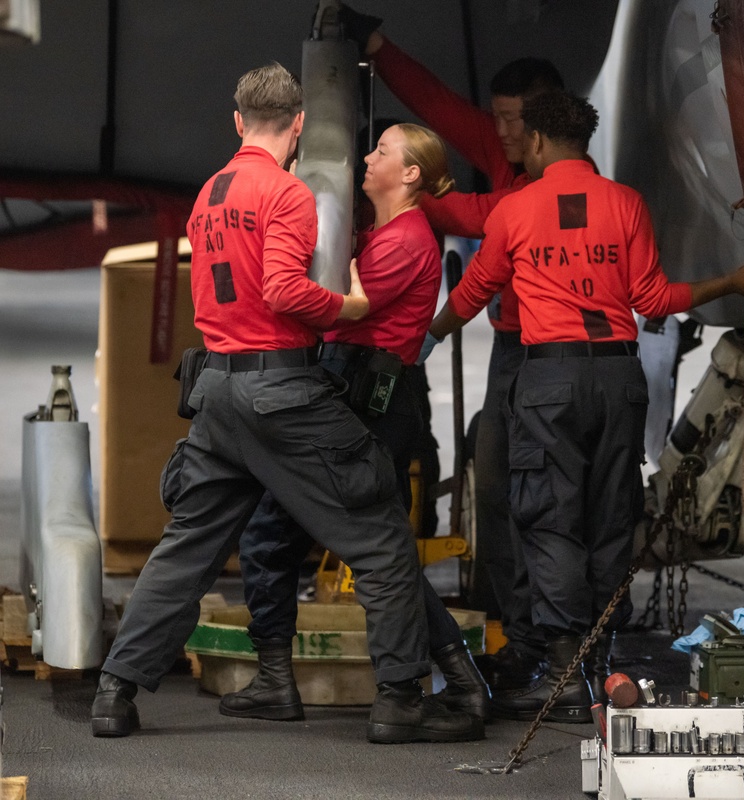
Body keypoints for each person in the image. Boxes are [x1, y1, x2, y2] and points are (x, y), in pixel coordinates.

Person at [89, 63, 482, 744]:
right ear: (298, 125)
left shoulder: (208, 195)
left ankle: (113, 694)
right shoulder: (290, 194)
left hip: (215, 393)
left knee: (186, 548)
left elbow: (219, 292)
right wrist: (347, 303)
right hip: (282, 390)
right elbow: (282, 290)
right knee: (383, 539)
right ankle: (398, 703)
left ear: (238, 122)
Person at [423, 91, 744, 722]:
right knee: (609, 516)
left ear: (542, 143)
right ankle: (600, 665)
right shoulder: (624, 203)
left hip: (549, 379)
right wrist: (733, 282)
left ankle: (561, 671)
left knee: (550, 517)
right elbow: (653, 299)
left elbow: (474, 289)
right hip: (620, 381)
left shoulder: (518, 208)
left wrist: (433, 333)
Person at [224, 122, 491, 723]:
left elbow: (333, 301)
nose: (367, 158)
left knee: (341, 543)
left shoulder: (405, 241)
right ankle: (454, 678)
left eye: (381, 151)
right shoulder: (387, 232)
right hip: (353, 390)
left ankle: (437, 683)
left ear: (411, 174)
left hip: (366, 401)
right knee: (370, 547)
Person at [338, 3, 565, 695]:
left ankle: (545, 638)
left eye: (511, 120)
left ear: (548, 119)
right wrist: (377, 46)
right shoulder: (504, 146)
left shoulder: (547, 188)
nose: (496, 132)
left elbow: (469, 215)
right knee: (495, 476)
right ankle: (509, 625)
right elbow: (435, 103)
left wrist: (399, 193)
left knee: (538, 493)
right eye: (495, 118)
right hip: (509, 344)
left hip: (552, 354)